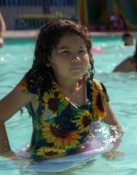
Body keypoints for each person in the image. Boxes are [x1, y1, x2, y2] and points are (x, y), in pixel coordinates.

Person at [0, 20, 123, 161]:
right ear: (47, 59)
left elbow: (115, 127)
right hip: (45, 168)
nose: (76, 58)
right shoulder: (36, 87)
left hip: (85, 160)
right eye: (65, 52)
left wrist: (112, 149)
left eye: (81, 51)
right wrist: (9, 156)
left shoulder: (95, 89)